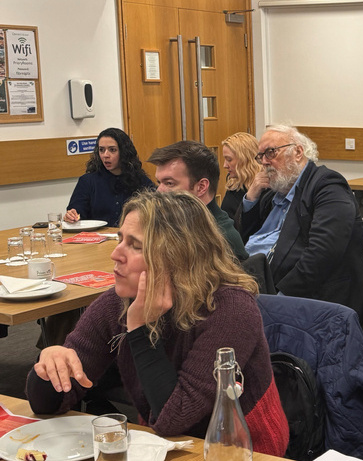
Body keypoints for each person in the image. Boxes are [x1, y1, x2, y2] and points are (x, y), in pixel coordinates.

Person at [26, 190, 289, 455]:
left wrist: (139, 329)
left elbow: (175, 418)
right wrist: (49, 368)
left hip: (243, 449)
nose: (116, 254)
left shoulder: (231, 309)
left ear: (177, 256)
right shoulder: (117, 302)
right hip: (163, 445)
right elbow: (47, 405)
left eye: (135, 245)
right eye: (120, 240)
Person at [238, 124, 363, 317]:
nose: (264, 162)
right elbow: (242, 237)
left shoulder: (328, 186)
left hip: (300, 295)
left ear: (298, 152)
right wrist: (251, 198)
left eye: (271, 153)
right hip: (256, 281)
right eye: (260, 156)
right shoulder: (274, 191)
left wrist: (280, 298)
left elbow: (322, 254)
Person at [147, 140, 249, 262]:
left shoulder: (222, 240)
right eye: (159, 182)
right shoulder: (175, 223)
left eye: (169, 183)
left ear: (201, 187)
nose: (159, 191)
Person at [65, 127, 155, 227]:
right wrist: (72, 216)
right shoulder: (87, 181)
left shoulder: (142, 182)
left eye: (112, 150)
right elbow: (77, 212)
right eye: (101, 150)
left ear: (124, 152)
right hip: (97, 239)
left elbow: (154, 216)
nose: (105, 155)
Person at [220, 132, 262, 220]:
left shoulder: (263, 188)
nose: (225, 165)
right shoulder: (233, 183)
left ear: (245, 160)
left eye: (229, 160)